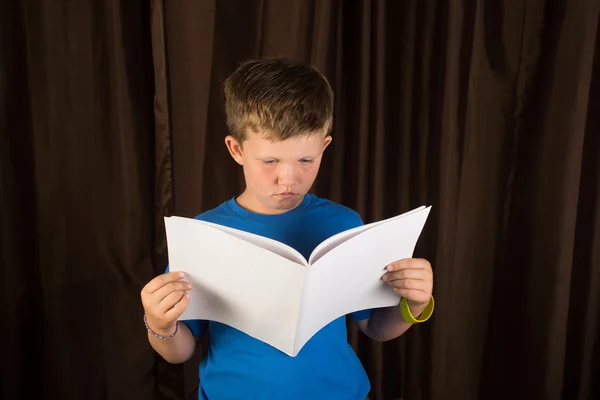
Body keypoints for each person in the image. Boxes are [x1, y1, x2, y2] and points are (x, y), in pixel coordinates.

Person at [140, 58, 435, 400]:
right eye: (270, 161)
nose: (288, 180)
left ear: (324, 146)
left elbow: (375, 328)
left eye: (305, 161)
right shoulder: (204, 235)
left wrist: (413, 305)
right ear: (236, 149)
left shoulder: (343, 223)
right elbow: (181, 350)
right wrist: (159, 325)